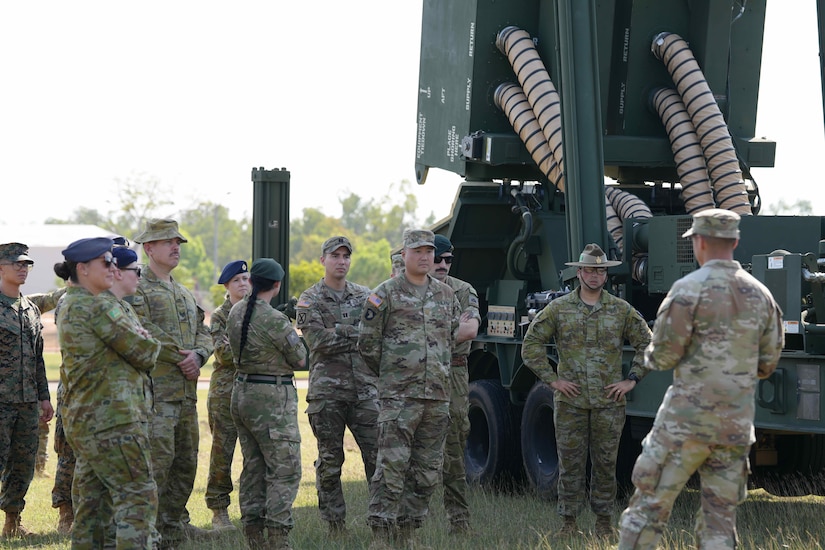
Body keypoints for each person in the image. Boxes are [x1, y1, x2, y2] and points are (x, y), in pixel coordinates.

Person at [618, 209, 784, 549]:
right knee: (719, 523)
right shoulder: (761, 295)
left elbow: (663, 357)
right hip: (734, 426)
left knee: (648, 509)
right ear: (735, 242)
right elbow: (768, 363)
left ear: (698, 242)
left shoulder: (686, 290)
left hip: (685, 424)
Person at [521, 243, 652, 537]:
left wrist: (632, 379)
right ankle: (568, 524)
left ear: (606, 275)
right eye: (590, 270)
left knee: (606, 464)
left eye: (600, 271)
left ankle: (604, 524)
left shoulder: (620, 310)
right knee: (570, 464)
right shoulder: (559, 309)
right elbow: (530, 345)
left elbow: (648, 344)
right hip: (571, 402)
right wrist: (552, 380)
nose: (595, 276)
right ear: (579, 273)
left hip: (608, 403)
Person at [56, 237, 161, 548]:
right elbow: (145, 353)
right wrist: (144, 338)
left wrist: (139, 338)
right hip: (113, 421)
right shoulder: (96, 306)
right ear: (83, 268)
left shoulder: (73, 303)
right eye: (106, 262)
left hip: (88, 421)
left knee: (93, 507)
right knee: (137, 497)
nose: (113, 268)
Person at [358, 229, 461, 547]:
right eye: (417, 251)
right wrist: (393, 376)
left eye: (429, 251)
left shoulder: (446, 295)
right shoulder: (384, 294)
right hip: (399, 398)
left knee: (428, 470)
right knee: (391, 466)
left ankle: (408, 532)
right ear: (404, 255)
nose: (425, 257)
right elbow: (368, 344)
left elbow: (451, 338)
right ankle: (381, 533)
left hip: (437, 397)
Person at [128, 218, 214, 546]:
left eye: (177, 242)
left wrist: (199, 355)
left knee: (185, 464)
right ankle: (147, 532)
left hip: (186, 396)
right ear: (149, 248)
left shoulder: (182, 291)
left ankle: (173, 527)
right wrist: (183, 357)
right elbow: (143, 330)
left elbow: (204, 330)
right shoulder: (138, 288)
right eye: (168, 242)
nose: (175, 247)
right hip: (157, 396)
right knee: (156, 466)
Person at [296, 236, 378, 537]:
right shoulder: (309, 299)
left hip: (365, 392)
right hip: (327, 394)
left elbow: (374, 336)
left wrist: (339, 330)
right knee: (330, 461)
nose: (341, 261)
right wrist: (355, 333)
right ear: (323, 260)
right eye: (335, 256)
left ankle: (382, 522)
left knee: (378, 456)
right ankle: (335, 526)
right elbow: (317, 341)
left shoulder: (365, 295)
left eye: (346, 256)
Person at [227, 258, 306, 550]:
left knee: (254, 467)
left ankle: (253, 534)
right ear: (277, 284)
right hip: (271, 400)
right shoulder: (275, 320)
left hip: (242, 393)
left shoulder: (236, 310)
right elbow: (300, 359)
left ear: (251, 281)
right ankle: (278, 539)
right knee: (285, 469)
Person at [0, 242, 54, 538]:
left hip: (27, 402)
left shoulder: (30, 310)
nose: (23, 269)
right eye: (17, 264)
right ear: (1, 268)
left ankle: (13, 522)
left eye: (26, 264)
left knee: (22, 464)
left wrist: (44, 397)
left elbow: (38, 358)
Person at [428, 234, 480, 534]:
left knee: (455, 441)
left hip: (453, 371)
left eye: (448, 259)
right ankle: (407, 520)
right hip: (416, 373)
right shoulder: (410, 291)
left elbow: (470, 329)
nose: (443, 264)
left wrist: (421, 335)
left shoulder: (462, 290)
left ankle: (458, 520)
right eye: (437, 258)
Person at [206, 260, 250, 531]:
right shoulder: (220, 316)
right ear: (227, 286)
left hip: (252, 392)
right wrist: (258, 350)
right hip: (225, 392)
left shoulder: (257, 310)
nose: (243, 283)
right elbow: (223, 354)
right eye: (237, 280)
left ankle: (251, 508)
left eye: (246, 279)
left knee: (253, 453)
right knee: (222, 453)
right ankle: (219, 510)